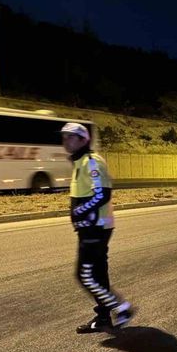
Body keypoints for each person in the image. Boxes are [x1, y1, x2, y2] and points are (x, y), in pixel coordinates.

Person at [60, 122, 134, 334]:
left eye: (71, 136)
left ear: (84, 140)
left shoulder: (92, 162)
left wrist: (80, 212)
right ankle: (103, 318)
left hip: (96, 228)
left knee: (85, 275)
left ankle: (121, 308)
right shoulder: (80, 162)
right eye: (64, 136)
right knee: (98, 273)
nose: (66, 140)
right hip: (90, 227)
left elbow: (102, 194)